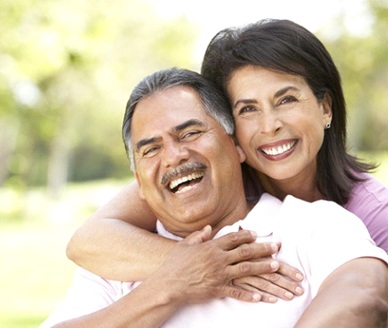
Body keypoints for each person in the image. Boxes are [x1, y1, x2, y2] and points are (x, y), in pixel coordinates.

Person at [65, 19, 388, 300]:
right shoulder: (212, 176)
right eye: (247, 109)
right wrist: (209, 263)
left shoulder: (373, 215)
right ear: (227, 128)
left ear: (325, 108)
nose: (270, 125)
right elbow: (88, 241)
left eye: (286, 99)